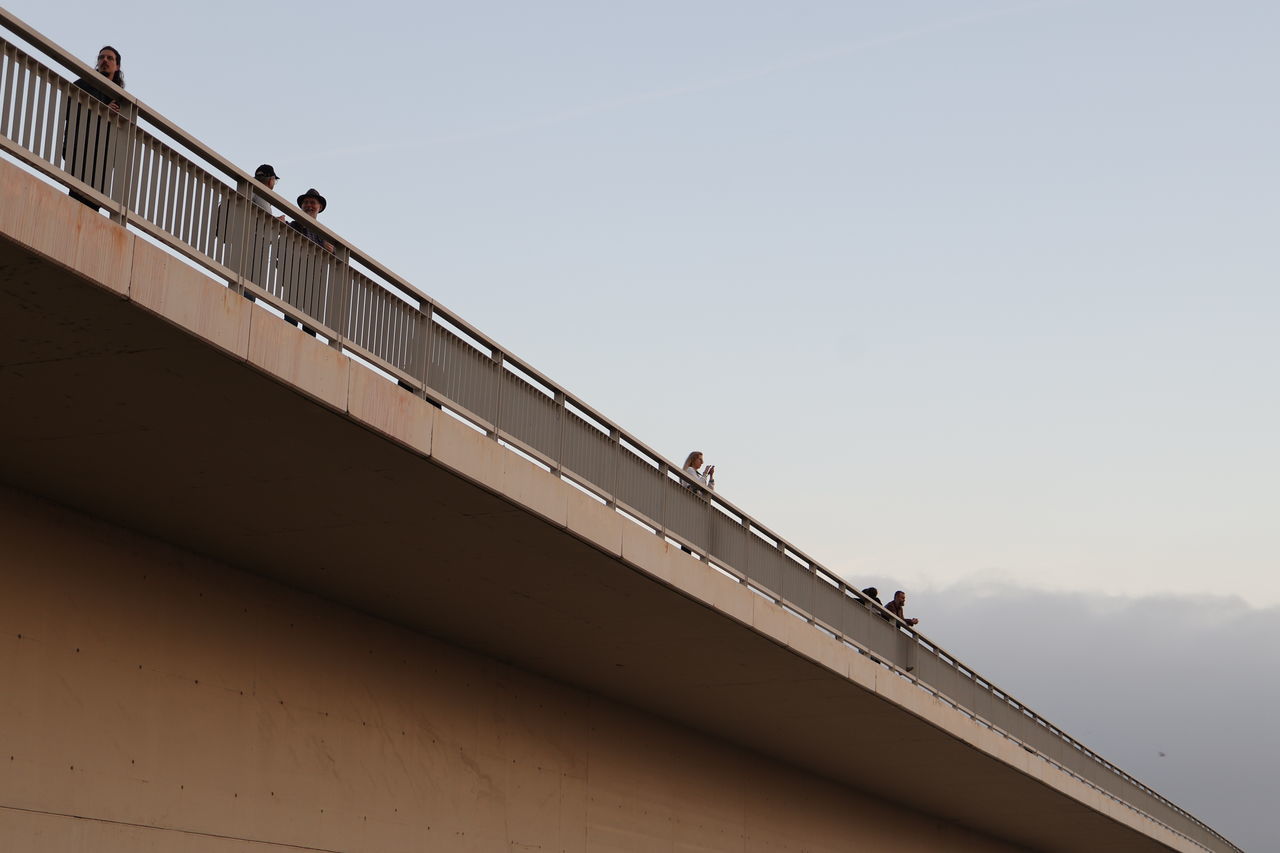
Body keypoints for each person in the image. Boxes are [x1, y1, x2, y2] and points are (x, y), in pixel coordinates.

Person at [64, 45, 126, 210]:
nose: (104, 60)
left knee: (93, 204)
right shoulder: (85, 83)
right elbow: (69, 109)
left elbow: (124, 126)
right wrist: (104, 109)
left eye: (109, 58)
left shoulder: (120, 97)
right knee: (75, 200)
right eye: (101, 58)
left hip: (104, 157)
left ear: (117, 66)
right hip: (81, 150)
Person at [289, 188, 335, 252]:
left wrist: (331, 250)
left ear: (320, 207)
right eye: (305, 202)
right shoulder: (294, 225)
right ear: (302, 206)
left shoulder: (322, 234)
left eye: (313, 202)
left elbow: (336, 254)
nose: (308, 205)